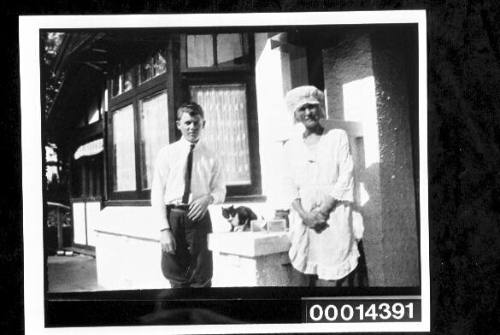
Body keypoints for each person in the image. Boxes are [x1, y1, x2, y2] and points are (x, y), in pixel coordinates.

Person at [282, 85, 360, 287]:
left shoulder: (337, 137)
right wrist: (305, 215)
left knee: (335, 274)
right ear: (296, 114)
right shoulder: (291, 146)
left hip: (334, 215)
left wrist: (324, 210)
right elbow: (289, 185)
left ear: (320, 108)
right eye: (302, 109)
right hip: (306, 220)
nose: (308, 112)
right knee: (309, 271)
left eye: (312, 106)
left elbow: (346, 174)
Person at [151, 102, 226, 288]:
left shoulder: (212, 155)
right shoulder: (167, 154)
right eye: (187, 123)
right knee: (175, 274)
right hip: (174, 217)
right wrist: (164, 229)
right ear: (179, 125)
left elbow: (220, 190)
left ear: (203, 124)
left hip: (199, 218)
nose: (192, 127)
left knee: (202, 275)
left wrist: (208, 199)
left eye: (196, 122)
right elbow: (157, 192)